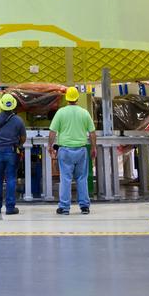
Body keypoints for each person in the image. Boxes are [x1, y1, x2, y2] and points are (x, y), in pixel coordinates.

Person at [48, 87, 97, 215]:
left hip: (65, 150)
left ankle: (64, 208)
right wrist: (93, 147)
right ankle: (85, 207)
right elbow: (92, 132)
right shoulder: (84, 112)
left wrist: (49, 146)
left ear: (67, 98)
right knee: (82, 178)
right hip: (81, 151)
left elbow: (52, 131)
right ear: (77, 98)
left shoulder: (61, 112)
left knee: (65, 179)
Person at [0, 93, 26, 216]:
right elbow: (23, 138)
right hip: (11, 152)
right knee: (11, 179)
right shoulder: (18, 121)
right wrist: (17, 145)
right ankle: (10, 208)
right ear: (13, 106)